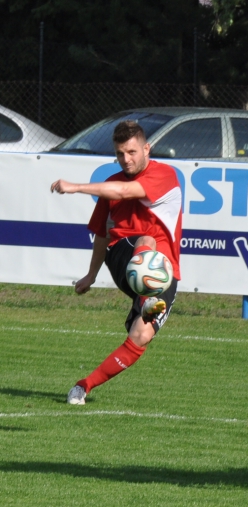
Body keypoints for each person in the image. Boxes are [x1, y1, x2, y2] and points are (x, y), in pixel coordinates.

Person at [50, 120, 182, 405]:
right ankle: (147, 298)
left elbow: (125, 191)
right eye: (120, 153)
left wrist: (75, 187)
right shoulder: (111, 185)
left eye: (132, 152)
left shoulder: (165, 174)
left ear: (146, 149)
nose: (126, 159)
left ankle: (83, 386)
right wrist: (91, 274)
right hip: (122, 256)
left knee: (141, 335)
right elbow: (102, 234)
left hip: (164, 271)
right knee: (147, 240)